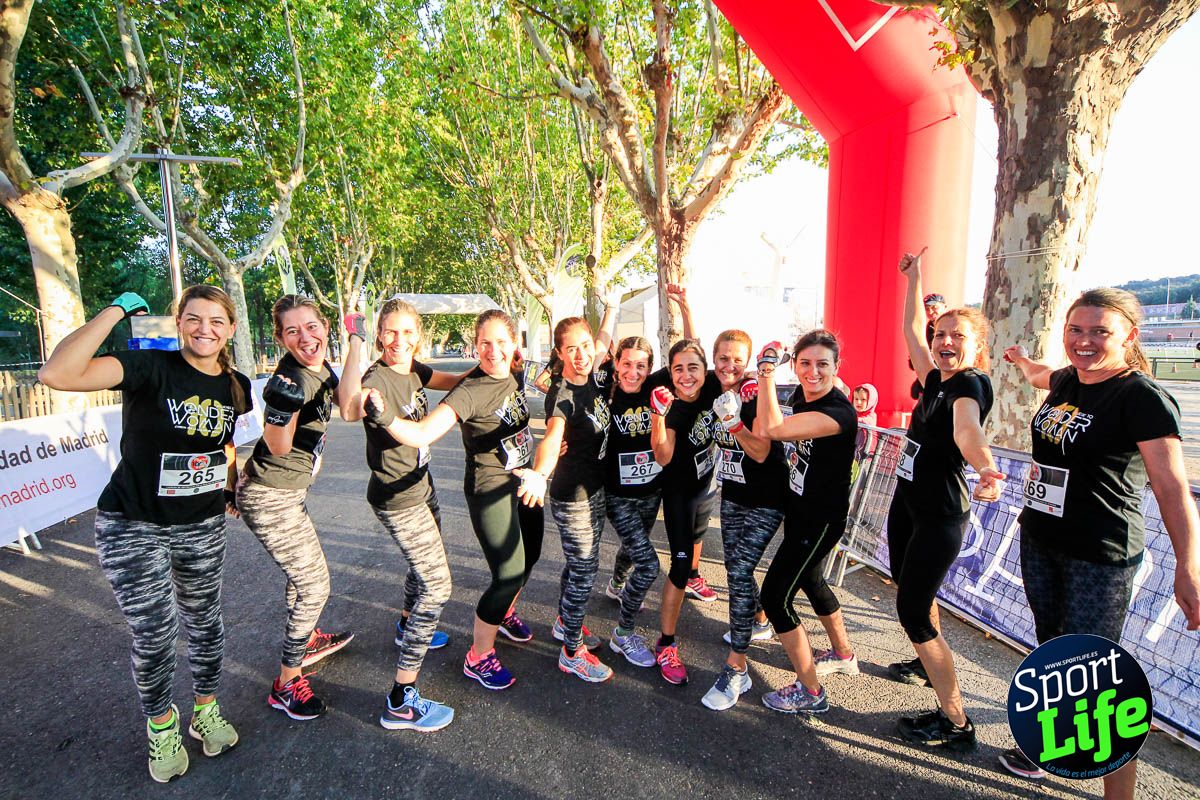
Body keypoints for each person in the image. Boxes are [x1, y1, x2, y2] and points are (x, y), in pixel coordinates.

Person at [39, 286, 251, 782]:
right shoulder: (148, 368)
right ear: (179, 322)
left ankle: (205, 712)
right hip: (133, 522)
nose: (205, 329)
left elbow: (222, 444)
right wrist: (115, 309)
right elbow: (57, 374)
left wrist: (230, 490)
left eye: (217, 321)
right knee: (155, 634)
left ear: (231, 329)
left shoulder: (237, 385)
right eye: (194, 319)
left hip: (201, 524)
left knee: (205, 622)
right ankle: (161, 726)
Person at [1000, 288, 1200, 797]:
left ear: (1130, 335)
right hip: (1041, 538)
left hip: (1101, 554)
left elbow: (1172, 487)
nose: (1084, 341)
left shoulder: (1142, 398)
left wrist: (1188, 564)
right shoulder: (1067, 378)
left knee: (1095, 678)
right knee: (1053, 654)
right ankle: (1050, 746)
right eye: (1075, 330)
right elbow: (1040, 375)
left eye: (1099, 332)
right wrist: (1023, 360)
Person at [374, 309, 543, 690]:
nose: (493, 350)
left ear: (515, 344)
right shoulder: (470, 391)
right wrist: (386, 417)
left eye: (501, 341)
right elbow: (422, 433)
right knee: (509, 573)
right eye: (485, 342)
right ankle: (479, 656)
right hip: (490, 490)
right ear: (474, 346)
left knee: (530, 556)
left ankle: (505, 613)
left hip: (524, 482)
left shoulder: (516, 372)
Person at [888, 249, 1006, 752]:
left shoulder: (971, 385)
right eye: (942, 335)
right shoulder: (934, 377)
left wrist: (985, 467)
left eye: (958, 336)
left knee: (913, 609)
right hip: (907, 504)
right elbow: (912, 330)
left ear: (977, 347)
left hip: (939, 514)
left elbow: (967, 431)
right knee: (913, 591)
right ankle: (925, 661)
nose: (944, 342)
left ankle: (956, 721)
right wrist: (915, 278)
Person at [714, 330, 862, 715]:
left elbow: (772, 431)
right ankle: (843, 653)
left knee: (777, 598)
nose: (813, 372)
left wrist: (764, 374)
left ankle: (811, 691)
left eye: (822, 364)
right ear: (794, 364)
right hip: (799, 511)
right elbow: (768, 426)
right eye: (805, 363)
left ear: (836, 367)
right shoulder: (801, 396)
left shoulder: (839, 412)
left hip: (820, 520)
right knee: (812, 580)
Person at [341, 299, 467, 731]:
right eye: (390, 333)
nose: (399, 341)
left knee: (421, 567)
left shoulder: (414, 368)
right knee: (437, 584)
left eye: (408, 333)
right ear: (379, 335)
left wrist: (491, 369)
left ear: (419, 335)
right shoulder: (374, 377)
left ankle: (407, 624)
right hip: (398, 498)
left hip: (423, 484)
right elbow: (350, 406)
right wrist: (354, 340)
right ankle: (401, 699)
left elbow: (451, 378)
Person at [237, 295, 359, 722]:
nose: (305, 337)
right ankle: (286, 683)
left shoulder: (319, 366)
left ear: (324, 326)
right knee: (314, 585)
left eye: (311, 326)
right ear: (281, 338)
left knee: (301, 575)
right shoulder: (291, 377)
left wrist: (356, 339)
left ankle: (305, 642)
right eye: (293, 331)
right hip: (271, 494)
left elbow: (347, 406)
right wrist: (279, 409)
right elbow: (278, 445)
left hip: (285, 490)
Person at [516, 311, 618, 683]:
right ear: (559, 353)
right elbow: (552, 436)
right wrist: (540, 474)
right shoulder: (563, 393)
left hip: (595, 490)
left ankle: (564, 621)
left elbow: (605, 337)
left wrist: (610, 307)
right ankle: (572, 652)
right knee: (586, 569)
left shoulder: (592, 371)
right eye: (571, 349)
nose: (581, 355)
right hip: (571, 495)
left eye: (585, 346)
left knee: (578, 565)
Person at [700, 329, 790, 710]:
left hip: (767, 500)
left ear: (749, 361)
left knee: (737, 572)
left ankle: (737, 669)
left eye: (738, 359)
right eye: (723, 357)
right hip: (733, 496)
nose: (729, 365)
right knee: (736, 567)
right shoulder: (717, 388)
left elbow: (758, 452)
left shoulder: (754, 396)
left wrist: (735, 422)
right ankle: (758, 618)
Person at [648, 338, 723, 685]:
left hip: (705, 487)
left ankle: (695, 575)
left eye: (693, 367)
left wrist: (684, 305)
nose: (686, 375)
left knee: (697, 540)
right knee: (678, 568)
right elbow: (662, 456)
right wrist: (657, 417)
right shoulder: (673, 409)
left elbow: (708, 352)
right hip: (678, 494)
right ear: (671, 374)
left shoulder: (711, 388)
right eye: (678, 368)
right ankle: (665, 643)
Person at [600, 335, 674, 667]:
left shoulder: (656, 388)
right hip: (618, 495)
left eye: (641, 365)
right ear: (616, 364)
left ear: (650, 367)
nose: (633, 372)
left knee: (632, 549)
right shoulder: (603, 391)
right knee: (648, 565)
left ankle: (616, 584)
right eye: (626, 364)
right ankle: (623, 634)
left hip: (650, 492)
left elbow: (692, 359)